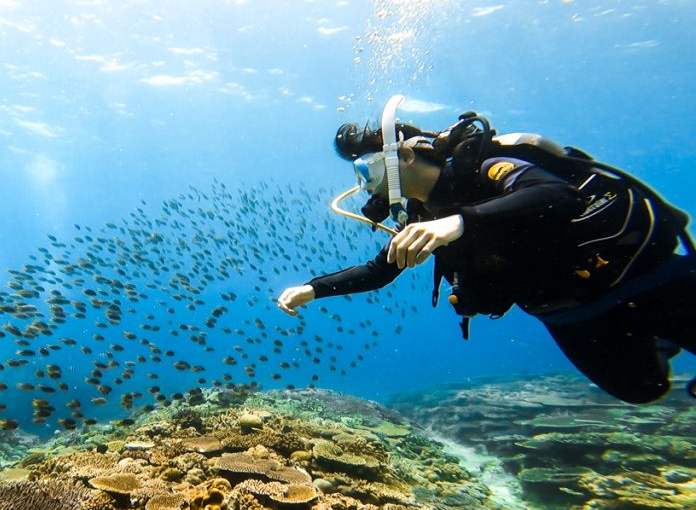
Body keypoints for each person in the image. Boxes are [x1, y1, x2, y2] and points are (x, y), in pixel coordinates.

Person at [277, 95, 696, 404]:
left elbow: (554, 194)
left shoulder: (482, 168)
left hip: (639, 276)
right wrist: (311, 290)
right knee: (645, 390)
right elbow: (378, 271)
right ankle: (656, 343)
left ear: (402, 154)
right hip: (570, 312)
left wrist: (459, 223)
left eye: (367, 170)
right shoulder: (421, 218)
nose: (368, 187)